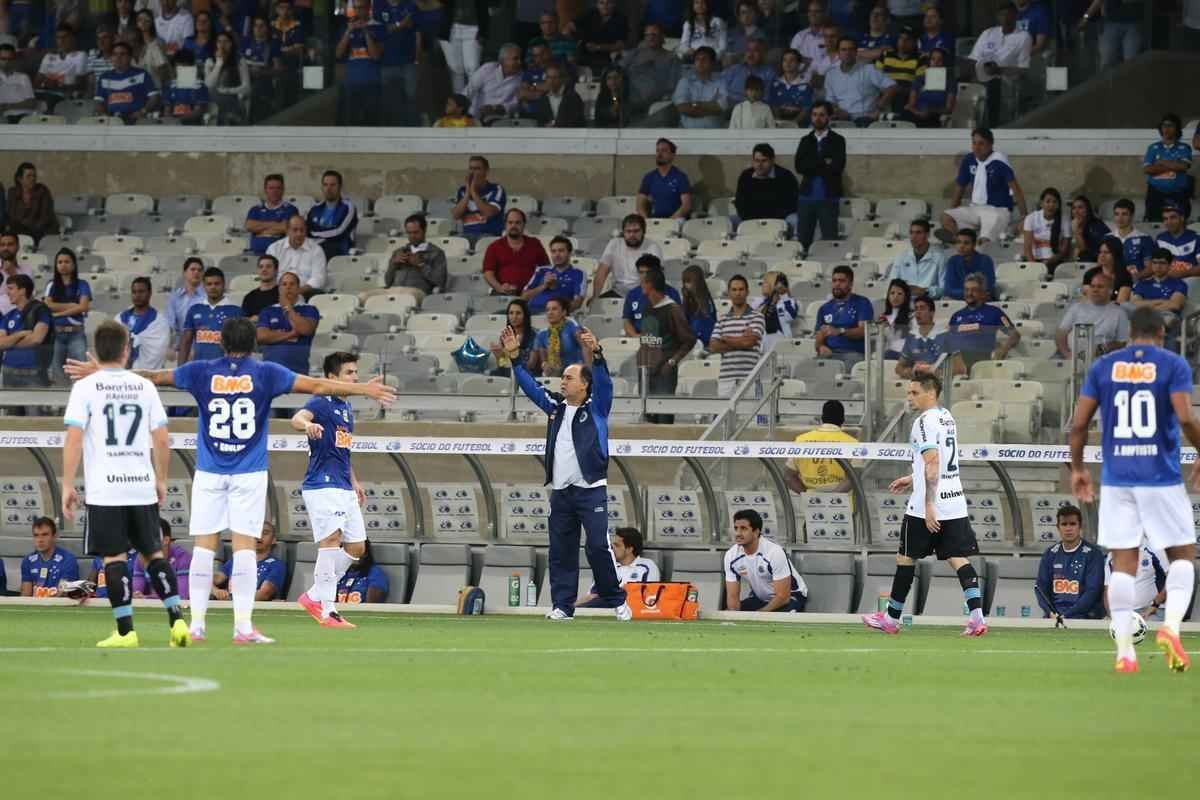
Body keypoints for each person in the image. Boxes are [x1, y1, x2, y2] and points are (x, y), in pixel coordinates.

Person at [65, 317, 396, 643]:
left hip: (210, 470)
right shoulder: (267, 373)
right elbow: (318, 385)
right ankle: (243, 628)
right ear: (254, 344)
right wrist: (363, 389)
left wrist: (105, 372)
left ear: (221, 343)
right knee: (244, 548)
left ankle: (196, 626)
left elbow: (155, 376)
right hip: (249, 472)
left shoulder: (201, 370)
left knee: (204, 547)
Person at [1068, 306, 1198, 673]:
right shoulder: (1172, 364)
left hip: (1117, 480)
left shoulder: (1104, 367)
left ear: (1129, 333)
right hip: (1160, 477)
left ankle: (1125, 650)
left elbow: (1078, 425)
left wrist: (1078, 469)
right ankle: (1171, 628)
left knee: (1123, 565)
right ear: (1161, 334)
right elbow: (1185, 416)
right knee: (1182, 557)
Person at [59, 320, 188, 648]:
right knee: (153, 554)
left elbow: (74, 438)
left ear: (96, 350)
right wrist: (161, 479)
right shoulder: (144, 387)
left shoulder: (85, 388)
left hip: (106, 490)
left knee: (114, 559)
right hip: (141, 485)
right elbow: (162, 438)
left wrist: (67, 484)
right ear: (126, 350)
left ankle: (126, 632)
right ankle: (177, 621)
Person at [502, 325, 629, 621]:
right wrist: (515, 357)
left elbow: (604, 383)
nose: (563, 381)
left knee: (597, 546)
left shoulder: (597, 407)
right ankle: (562, 606)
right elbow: (531, 387)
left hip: (591, 490)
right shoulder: (555, 408)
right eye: (563, 377)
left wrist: (597, 354)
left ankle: (616, 599)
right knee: (561, 551)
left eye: (569, 378)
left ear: (584, 385)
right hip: (561, 493)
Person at [864, 374, 987, 636]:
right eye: (909, 392)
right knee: (957, 557)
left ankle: (891, 618)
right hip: (954, 500)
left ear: (930, 393)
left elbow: (932, 465)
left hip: (927, 505)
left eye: (914, 392)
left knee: (905, 557)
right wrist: (912, 478)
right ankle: (977, 618)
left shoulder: (923, 422)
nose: (909, 397)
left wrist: (929, 505)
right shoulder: (946, 417)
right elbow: (938, 460)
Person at [292, 351, 370, 628]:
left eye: (356, 372)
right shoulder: (321, 402)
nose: (355, 377)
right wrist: (308, 425)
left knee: (357, 547)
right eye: (349, 373)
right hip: (322, 484)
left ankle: (314, 595)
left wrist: (354, 481)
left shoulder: (346, 408)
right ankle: (328, 611)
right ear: (331, 377)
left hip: (343, 485)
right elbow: (297, 418)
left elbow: (342, 451)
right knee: (331, 540)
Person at [942, 128, 1027, 245]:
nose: (976, 147)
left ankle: (976, 242)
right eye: (974, 143)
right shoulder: (968, 160)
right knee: (946, 217)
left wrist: (1024, 216)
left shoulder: (999, 161)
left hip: (997, 211)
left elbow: (1016, 190)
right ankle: (961, 241)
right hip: (974, 209)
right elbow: (959, 188)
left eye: (981, 144)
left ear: (990, 144)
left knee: (984, 240)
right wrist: (953, 211)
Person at [635, 263, 695, 423]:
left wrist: (672, 361)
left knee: (664, 419)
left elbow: (689, 340)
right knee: (647, 420)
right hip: (646, 371)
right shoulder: (647, 306)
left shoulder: (672, 309)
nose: (641, 283)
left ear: (649, 285)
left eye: (643, 280)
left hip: (664, 373)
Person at [723, 509, 808, 612]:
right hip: (760, 599)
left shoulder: (774, 552)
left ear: (756, 532)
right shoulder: (731, 556)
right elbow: (732, 597)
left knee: (774, 619)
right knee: (727, 614)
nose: (738, 533)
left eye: (743, 529)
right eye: (736, 528)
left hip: (791, 597)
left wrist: (760, 614)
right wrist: (733, 615)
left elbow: (783, 597)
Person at [1035, 504, 1105, 620]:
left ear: (1080, 526)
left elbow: (1093, 591)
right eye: (1064, 524)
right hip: (1054, 617)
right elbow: (1040, 588)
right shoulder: (1050, 554)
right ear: (1058, 527)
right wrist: (1050, 612)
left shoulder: (1093, 554)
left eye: (1072, 524)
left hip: (1084, 618)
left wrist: (1067, 615)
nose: (1068, 529)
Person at [793, 101, 844, 256]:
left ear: (829, 117)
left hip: (829, 198)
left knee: (829, 242)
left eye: (822, 115)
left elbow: (837, 167)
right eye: (814, 115)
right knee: (803, 242)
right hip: (806, 198)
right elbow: (799, 166)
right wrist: (823, 161)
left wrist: (812, 163)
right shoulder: (805, 140)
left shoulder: (838, 140)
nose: (817, 118)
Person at [967, 3, 1031, 125]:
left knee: (992, 83)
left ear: (1016, 16)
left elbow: (1023, 69)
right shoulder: (988, 33)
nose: (1005, 18)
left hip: (1005, 80)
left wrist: (999, 70)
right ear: (997, 17)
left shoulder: (1023, 37)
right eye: (1002, 15)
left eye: (1009, 14)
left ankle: (992, 125)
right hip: (981, 77)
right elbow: (973, 59)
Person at [946, 273, 1019, 372]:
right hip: (960, 363)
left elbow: (1014, 334)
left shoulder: (995, 313)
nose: (969, 293)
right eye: (966, 290)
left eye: (974, 290)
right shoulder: (956, 316)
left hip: (985, 362)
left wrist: (1003, 350)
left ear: (983, 293)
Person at [783, 399, 858, 495]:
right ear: (843, 419)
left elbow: (788, 476)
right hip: (843, 503)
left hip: (809, 502)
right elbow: (853, 478)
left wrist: (807, 495)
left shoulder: (801, 440)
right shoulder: (852, 443)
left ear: (822, 418)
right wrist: (831, 498)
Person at [709, 275, 764, 398]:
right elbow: (713, 347)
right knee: (724, 411)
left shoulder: (757, 316)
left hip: (750, 378)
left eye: (741, 289)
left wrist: (726, 339)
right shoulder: (722, 318)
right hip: (726, 379)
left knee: (750, 411)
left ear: (747, 292)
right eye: (734, 290)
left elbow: (749, 343)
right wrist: (742, 341)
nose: (738, 293)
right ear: (729, 293)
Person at [372, 214, 448, 302]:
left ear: (424, 231)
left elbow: (440, 281)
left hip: (417, 292)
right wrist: (393, 264)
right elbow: (388, 282)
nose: (412, 236)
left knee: (401, 296)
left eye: (416, 232)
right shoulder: (399, 251)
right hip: (393, 290)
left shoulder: (437, 253)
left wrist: (420, 265)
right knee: (363, 297)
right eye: (409, 233)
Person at [43, 248, 91, 386]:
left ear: (74, 264)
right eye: (60, 262)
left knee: (81, 374)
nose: (63, 265)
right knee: (58, 374)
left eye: (67, 262)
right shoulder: (51, 284)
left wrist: (59, 313)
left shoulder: (82, 284)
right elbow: (47, 305)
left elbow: (83, 307)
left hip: (76, 334)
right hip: (56, 334)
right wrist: (72, 305)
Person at [1055, 269, 1129, 359]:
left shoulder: (1119, 313)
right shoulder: (1076, 308)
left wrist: (1102, 348)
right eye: (1092, 286)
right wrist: (1067, 354)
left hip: (1103, 358)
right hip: (1073, 357)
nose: (1095, 290)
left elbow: (1122, 342)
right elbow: (1061, 334)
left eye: (1100, 287)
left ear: (1110, 290)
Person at [822, 36, 896, 126]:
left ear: (856, 52)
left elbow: (892, 87)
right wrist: (837, 111)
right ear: (838, 53)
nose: (847, 53)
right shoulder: (831, 74)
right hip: (842, 119)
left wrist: (878, 109)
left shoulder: (869, 69)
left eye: (851, 49)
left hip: (866, 119)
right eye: (844, 50)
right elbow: (830, 101)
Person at [257, 271, 320, 375]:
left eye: (292, 284)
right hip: (270, 371)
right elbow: (261, 337)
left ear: (298, 288)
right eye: (284, 284)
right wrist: (291, 334)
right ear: (279, 288)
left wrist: (287, 308)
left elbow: (305, 330)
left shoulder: (309, 309)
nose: (288, 287)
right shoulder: (268, 310)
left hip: (298, 371)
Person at [0, 273, 52, 399]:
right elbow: (1, 344)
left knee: (35, 411)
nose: (7, 293)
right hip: (8, 372)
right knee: (9, 412)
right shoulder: (9, 315)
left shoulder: (41, 311)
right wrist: (20, 334)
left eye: (11, 288)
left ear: (22, 291)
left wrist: (9, 342)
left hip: (34, 373)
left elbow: (36, 339)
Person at [578, 527, 659, 606]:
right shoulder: (608, 567)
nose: (612, 548)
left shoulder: (646, 566)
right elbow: (591, 596)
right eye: (612, 545)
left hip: (631, 610)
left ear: (629, 549)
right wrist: (574, 606)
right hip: (604, 610)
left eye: (617, 545)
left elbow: (650, 596)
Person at [813, 264, 874, 368]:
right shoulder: (824, 308)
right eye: (834, 280)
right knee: (809, 368)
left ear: (851, 284)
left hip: (853, 354)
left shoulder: (862, 303)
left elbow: (864, 331)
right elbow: (819, 336)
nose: (837, 284)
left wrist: (840, 331)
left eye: (842, 281)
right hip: (830, 354)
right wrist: (821, 347)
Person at [178, 267, 242, 365]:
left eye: (217, 284)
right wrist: (180, 369)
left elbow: (242, 345)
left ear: (223, 284)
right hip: (200, 368)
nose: (213, 287)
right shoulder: (195, 309)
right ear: (203, 286)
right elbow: (186, 341)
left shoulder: (236, 311)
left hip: (225, 369)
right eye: (209, 284)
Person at [619, 23, 681, 123]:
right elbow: (617, 70)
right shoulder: (635, 53)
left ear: (662, 37)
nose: (650, 38)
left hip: (656, 104)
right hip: (629, 101)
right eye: (647, 35)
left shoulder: (671, 58)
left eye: (654, 35)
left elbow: (673, 85)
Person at [592, 214, 662, 300]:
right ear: (623, 232)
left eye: (636, 231)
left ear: (643, 231)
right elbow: (602, 272)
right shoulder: (614, 244)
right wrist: (595, 297)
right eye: (628, 231)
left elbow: (656, 278)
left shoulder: (653, 247)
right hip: (618, 292)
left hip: (643, 294)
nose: (632, 235)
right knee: (596, 305)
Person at [336, 0, 384, 125]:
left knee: (371, 121)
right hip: (351, 82)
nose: (358, 11)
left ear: (368, 8)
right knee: (351, 122)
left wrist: (366, 32)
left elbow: (376, 56)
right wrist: (348, 32)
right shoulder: (346, 27)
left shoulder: (378, 26)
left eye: (361, 8)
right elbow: (338, 54)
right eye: (356, 8)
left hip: (372, 81)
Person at [212, 522, 287, 602]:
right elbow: (207, 579)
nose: (259, 536)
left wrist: (230, 599)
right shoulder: (236, 560)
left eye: (265, 533)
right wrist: (216, 591)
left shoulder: (277, 565)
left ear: (273, 540)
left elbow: (264, 594)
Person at [482, 209, 549, 296]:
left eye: (518, 223)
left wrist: (537, 288)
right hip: (502, 294)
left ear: (524, 224)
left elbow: (546, 269)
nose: (513, 226)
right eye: (510, 222)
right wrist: (500, 288)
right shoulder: (494, 247)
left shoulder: (535, 244)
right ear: (505, 225)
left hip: (530, 294)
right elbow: (488, 273)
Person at [377, 0, 421, 127]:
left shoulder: (411, 5)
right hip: (386, 62)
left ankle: (412, 131)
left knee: (411, 99)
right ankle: (388, 131)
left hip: (408, 62)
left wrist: (417, 60)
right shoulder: (379, 5)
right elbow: (382, 29)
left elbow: (417, 33)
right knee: (387, 101)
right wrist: (401, 24)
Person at [1142, 113, 1193, 222]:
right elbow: (1147, 169)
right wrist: (1173, 164)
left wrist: (1160, 163)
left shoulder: (1184, 147)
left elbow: (1183, 166)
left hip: (1178, 194)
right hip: (1156, 194)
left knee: (1178, 223)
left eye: (1171, 125)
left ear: (1177, 128)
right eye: (1164, 125)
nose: (1166, 128)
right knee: (1154, 223)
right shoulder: (1153, 147)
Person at [93, 39, 160, 122]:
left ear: (130, 57)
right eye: (114, 54)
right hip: (111, 121)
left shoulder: (142, 74)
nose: (118, 57)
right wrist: (105, 116)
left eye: (122, 54)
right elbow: (98, 101)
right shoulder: (104, 77)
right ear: (111, 58)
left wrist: (142, 112)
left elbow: (154, 97)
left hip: (137, 121)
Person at [734, 143, 798, 227]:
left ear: (772, 160)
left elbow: (792, 204)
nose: (759, 165)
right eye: (757, 160)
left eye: (764, 161)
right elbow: (740, 203)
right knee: (729, 221)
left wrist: (769, 219)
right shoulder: (746, 176)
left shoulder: (786, 176)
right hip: (750, 219)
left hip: (779, 219)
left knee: (795, 220)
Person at [268, 215, 328, 300]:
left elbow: (319, 278)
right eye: (295, 230)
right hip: (278, 292)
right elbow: (270, 274)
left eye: (302, 230)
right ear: (287, 231)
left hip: (306, 293)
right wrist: (284, 291)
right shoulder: (274, 248)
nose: (299, 234)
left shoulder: (316, 250)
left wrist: (298, 291)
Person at [621, 255, 683, 335]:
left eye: (648, 272)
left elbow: (677, 322)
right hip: (639, 337)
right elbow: (627, 321)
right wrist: (636, 336)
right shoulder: (632, 294)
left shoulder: (672, 293)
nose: (644, 276)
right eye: (641, 272)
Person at [1131, 248, 1187, 336]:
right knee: (1125, 307)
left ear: (1170, 265)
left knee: (1168, 320)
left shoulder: (1179, 283)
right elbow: (1135, 303)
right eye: (1155, 262)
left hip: (1166, 316)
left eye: (1162, 263)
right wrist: (1160, 301)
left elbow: (1175, 305)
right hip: (1144, 316)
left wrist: (1148, 307)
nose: (1158, 266)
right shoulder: (1142, 283)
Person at [522, 236, 585, 314]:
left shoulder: (578, 273)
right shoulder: (541, 270)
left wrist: (555, 288)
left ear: (569, 253)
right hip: (531, 313)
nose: (557, 255)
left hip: (556, 316)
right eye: (553, 251)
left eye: (561, 251)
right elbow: (524, 296)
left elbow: (577, 303)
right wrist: (544, 286)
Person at [19, 517, 79, 597]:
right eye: (36, 535)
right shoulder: (28, 560)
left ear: (54, 536)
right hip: (35, 604)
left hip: (57, 604)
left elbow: (63, 594)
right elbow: (26, 595)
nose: (40, 540)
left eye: (45, 535)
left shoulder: (68, 559)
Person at [437, 0, 489, 93]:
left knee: (472, 68)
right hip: (451, 28)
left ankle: (473, 100)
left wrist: (484, 32)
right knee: (456, 69)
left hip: (474, 28)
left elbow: (486, 6)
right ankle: (459, 99)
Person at [306, 169, 358, 261]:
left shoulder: (348, 207)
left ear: (340, 187)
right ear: (322, 187)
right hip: (315, 247)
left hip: (338, 250)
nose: (328, 188)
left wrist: (314, 234)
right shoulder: (315, 209)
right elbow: (306, 229)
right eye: (325, 185)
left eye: (333, 185)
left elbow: (339, 231)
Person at [1104, 543, 1167, 618]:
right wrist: (1111, 615)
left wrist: (1155, 605)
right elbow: (1108, 589)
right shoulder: (1112, 555)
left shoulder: (1155, 549)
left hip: (1152, 611)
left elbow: (1172, 578)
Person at [118, 277, 169, 370]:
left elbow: (158, 351)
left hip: (146, 374)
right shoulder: (120, 318)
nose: (137, 295)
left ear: (149, 293)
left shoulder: (159, 321)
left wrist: (134, 341)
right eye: (134, 292)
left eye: (141, 292)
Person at [1079, 0, 1146, 71]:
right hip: (1110, 24)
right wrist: (1085, 17)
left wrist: (1086, 17)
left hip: (1134, 24)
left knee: (1131, 64)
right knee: (1108, 63)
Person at [452, 155, 506, 242]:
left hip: (489, 235)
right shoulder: (462, 191)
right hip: (467, 236)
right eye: (471, 168)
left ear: (486, 171)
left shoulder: (496, 189)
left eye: (477, 169)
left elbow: (489, 212)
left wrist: (473, 192)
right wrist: (467, 193)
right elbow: (456, 215)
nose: (473, 172)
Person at [887, 219, 945, 299]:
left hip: (928, 302)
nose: (913, 237)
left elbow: (943, 288)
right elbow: (892, 283)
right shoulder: (901, 257)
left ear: (927, 235)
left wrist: (925, 291)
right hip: (904, 302)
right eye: (911, 232)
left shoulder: (940, 257)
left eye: (918, 233)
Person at [527, 297, 584, 377]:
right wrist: (544, 365)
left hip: (576, 373)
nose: (550, 313)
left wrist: (589, 371)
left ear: (563, 312)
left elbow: (586, 348)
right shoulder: (542, 334)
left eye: (554, 309)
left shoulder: (573, 328)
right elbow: (543, 360)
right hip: (554, 374)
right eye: (547, 310)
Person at [464, 42, 522, 122]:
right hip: (476, 117)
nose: (519, 62)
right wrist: (459, 106)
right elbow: (469, 90)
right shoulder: (487, 69)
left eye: (520, 59)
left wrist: (496, 108)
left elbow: (516, 103)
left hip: (502, 121)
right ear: (502, 60)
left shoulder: (521, 77)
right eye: (515, 59)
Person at [133, 519, 190, 600]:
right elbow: (136, 593)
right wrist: (137, 595)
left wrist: (147, 597)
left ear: (166, 540)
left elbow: (181, 596)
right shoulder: (141, 558)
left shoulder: (183, 558)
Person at [671, 45, 726, 129]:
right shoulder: (684, 82)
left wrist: (694, 104)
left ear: (713, 63)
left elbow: (721, 106)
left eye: (704, 59)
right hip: (687, 132)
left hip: (715, 133)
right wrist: (710, 108)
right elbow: (682, 108)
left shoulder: (721, 82)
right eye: (697, 59)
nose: (700, 62)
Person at [895, 295, 949, 379]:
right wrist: (911, 372)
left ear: (931, 313)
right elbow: (899, 368)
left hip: (939, 381)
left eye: (922, 308)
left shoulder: (945, 335)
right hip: (917, 382)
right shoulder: (911, 336)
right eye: (916, 308)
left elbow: (960, 368)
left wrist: (933, 372)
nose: (918, 312)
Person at [900, 46, 955, 127]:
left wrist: (930, 110)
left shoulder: (950, 82)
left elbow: (949, 109)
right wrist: (918, 113)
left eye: (940, 59)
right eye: (933, 59)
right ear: (929, 61)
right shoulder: (919, 79)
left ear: (945, 62)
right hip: (917, 114)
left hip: (936, 115)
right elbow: (911, 104)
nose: (936, 62)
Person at [203, 31, 249, 124]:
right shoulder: (209, 61)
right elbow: (208, 85)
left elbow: (247, 87)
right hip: (213, 99)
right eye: (219, 41)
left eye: (226, 41)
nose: (222, 45)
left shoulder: (239, 60)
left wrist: (227, 91)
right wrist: (219, 63)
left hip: (232, 98)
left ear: (231, 44)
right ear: (216, 44)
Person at [245, 174, 298, 256]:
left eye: (278, 188)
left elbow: (285, 227)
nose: (275, 191)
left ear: (283, 190)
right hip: (255, 254)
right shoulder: (255, 209)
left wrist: (260, 231)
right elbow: (249, 226)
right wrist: (275, 224)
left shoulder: (290, 209)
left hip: (280, 254)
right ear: (265, 190)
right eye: (271, 188)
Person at [1021, 187, 1069, 275]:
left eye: (1054, 202)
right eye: (1048, 201)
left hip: (1054, 261)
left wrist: (1049, 262)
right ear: (1041, 203)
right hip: (1033, 260)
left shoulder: (1064, 220)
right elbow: (1027, 248)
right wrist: (1035, 266)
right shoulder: (1031, 218)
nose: (1051, 205)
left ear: (1058, 204)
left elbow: (1064, 250)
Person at [5, 164, 56, 246]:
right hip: (20, 230)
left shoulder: (42, 191)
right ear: (20, 179)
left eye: (34, 176)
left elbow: (45, 217)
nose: (32, 179)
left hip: (41, 232)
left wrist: (26, 226)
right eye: (28, 176)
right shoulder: (12, 192)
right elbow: (10, 215)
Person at [35, 25, 87, 102]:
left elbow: (80, 84)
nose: (61, 41)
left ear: (72, 38)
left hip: (65, 97)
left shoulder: (80, 55)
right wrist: (45, 84)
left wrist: (57, 84)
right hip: (45, 94)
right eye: (58, 38)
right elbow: (37, 82)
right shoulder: (48, 56)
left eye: (65, 37)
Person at [166, 257, 205, 358]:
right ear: (184, 273)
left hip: (202, 346)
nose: (196, 272)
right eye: (192, 269)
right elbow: (170, 326)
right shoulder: (174, 298)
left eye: (199, 270)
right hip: (180, 347)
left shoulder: (208, 297)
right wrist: (169, 346)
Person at [942, 229, 996, 301]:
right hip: (959, 300)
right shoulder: (952, 261)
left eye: (966, 243)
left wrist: (964, 293)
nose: (961, 246)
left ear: (974, 245)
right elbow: (948, 289)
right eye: (958, 242)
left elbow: (988, 288)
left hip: (981, 300)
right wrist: (970, 293)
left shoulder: (985, 260)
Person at [751, 270, 798, 352]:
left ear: (773, 285)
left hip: (781, 343)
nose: (762, 285)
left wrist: (784, 295)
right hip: (762, 344)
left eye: (765, 282)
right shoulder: (758, 302)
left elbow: (790, 316)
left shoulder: (788, 301)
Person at [527, 61, 585, 127]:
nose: (551, 81)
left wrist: (556, 125)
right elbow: (540, 122)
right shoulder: (543, 98)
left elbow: (577, 121)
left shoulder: (573, 97)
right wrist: (545, 125)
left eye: (554, 78)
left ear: (561, 79)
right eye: (548, 77)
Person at [490, 298, 537, 378]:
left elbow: (531, 365)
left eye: (518, 313)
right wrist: (499, 356)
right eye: (511, 313)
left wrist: (515, 354)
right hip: (508, 374)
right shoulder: (505, 335)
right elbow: (502, 364)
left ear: (525, 316)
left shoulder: (534, 336)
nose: (514, 317)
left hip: (527, 375)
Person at [722, 35, 775, 106]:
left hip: (753, 108)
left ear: (763, 53)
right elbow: (720, 88)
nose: (750, 54)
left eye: (756, 50)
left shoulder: (769, 73)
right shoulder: (735, 69)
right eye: (748, 50)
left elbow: (766, 99)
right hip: (728, 105)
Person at [1107, 198, 1155, 275]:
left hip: (1137, 280)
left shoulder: (1145, 239)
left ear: (1132, 215)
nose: (1120, 218)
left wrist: (1136, 278)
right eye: (1117, 214)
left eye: (1124, 214)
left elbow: (1150, 268)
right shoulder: (1107, 238)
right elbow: (1101, 264)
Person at [576, 0, 626, 72]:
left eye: (608, 3)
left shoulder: (620, 19)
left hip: (605, 55)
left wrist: (598, 47)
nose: (605, 6)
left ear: (614, 4)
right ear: (597, 5)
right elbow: (570, 27)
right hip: (583, 52)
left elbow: (620, 46)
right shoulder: (590, 13)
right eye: (601, 3)